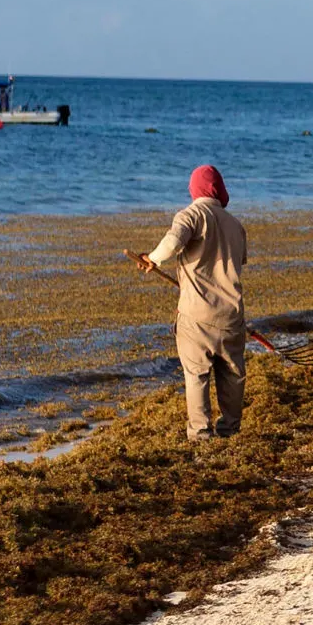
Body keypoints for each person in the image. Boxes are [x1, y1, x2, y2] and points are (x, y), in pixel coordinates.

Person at [135, 165, 247, 441]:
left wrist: (153, 258)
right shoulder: (236, 225)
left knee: (197, 374)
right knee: (232, 375)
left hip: (196, 314)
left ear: (194, 190)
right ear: (220, 190)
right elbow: (239, 261)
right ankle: (230, 430)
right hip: (231, 314)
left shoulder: (192, 214)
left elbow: (174, 241)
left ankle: (200, 434)